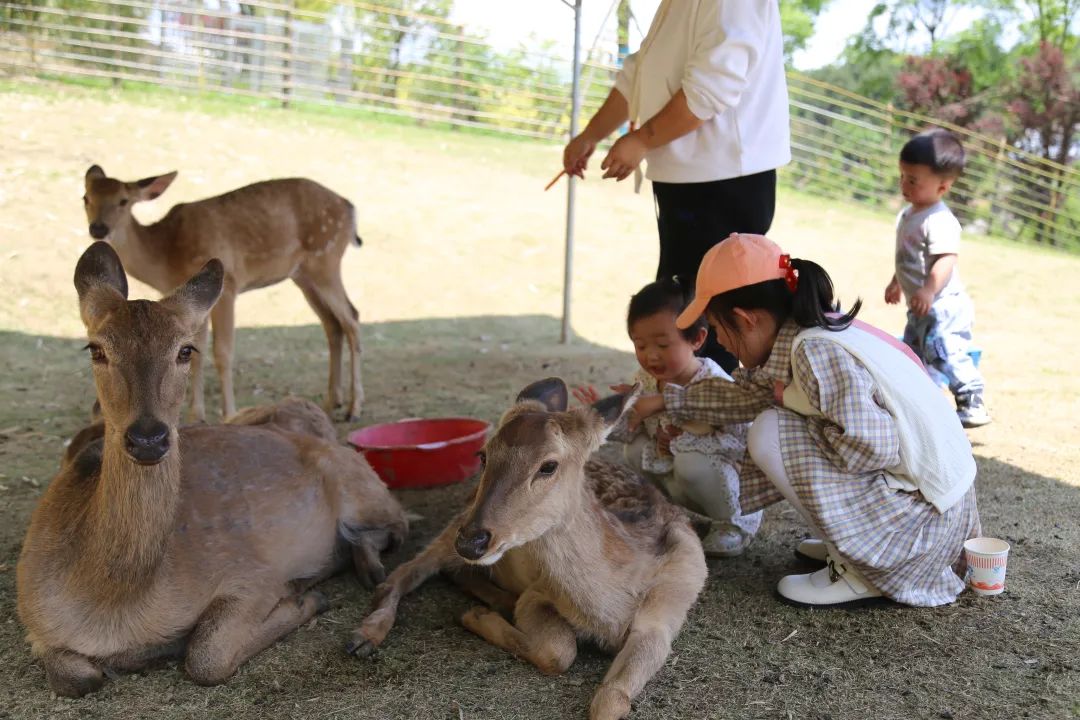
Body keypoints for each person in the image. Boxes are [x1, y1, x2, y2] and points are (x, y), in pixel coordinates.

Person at [630, 233, 981, 607]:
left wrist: (798, 412)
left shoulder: (815, 353)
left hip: (920, 530)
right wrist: (666, 400)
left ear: (745, 319)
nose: (720, 341)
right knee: (775, 417)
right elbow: (743, 398)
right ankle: (848, 546)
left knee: (770, 430)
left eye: (717, 329)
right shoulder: (809, 333)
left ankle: (864, 571)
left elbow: (873, 447)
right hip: (934, 511)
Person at [561, 0, 791, 373]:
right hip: (684, 179)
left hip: (726, 180)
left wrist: (642, 140)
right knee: (680, 306)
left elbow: (711, 87)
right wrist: (592, 134)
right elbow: (639, 74)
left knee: (713, 317)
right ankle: (679, 410)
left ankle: (710, 417)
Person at [573, 278, 762, 557]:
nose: (651, 356)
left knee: (691, 462)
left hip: (722, 478)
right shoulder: (645, 380)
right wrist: (605, 416)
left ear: (697, 339)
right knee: (634, 449)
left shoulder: (715, 383)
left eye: (663, 345)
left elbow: (742, 442)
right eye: (640, 345)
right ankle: (662, 512)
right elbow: (632, 429)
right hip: (677, 473)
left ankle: (734, 525)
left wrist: (684, 440)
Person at [886, 128, 991, 428]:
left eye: (913, 180)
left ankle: (972, 399)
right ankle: (924, 404)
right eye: (902, 176)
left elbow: (945, 260)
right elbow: (910, 257)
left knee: (944, 351)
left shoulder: (940, 220)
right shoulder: (909, 214)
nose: (904, 184)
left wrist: (929, 290)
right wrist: (897, 282)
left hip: (942, 305)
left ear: (942, 187)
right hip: (920, 305)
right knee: (914, 354)